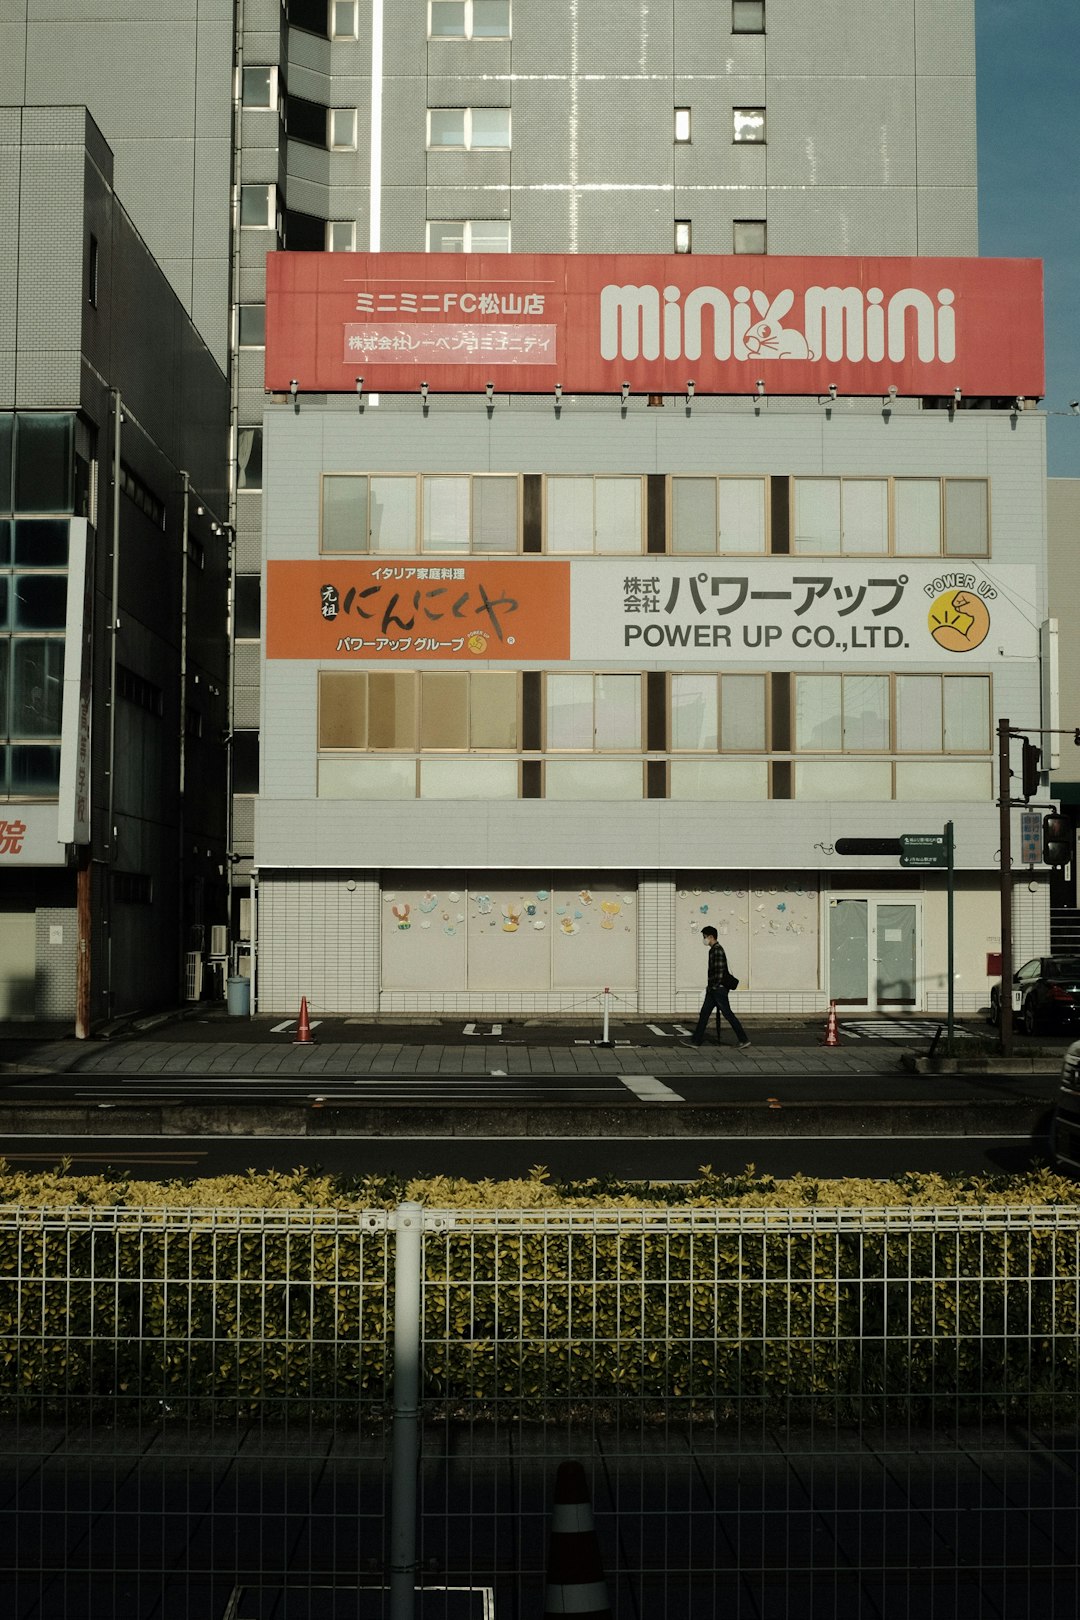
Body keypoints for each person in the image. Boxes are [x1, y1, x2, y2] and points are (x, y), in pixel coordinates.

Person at [687, 925, 751, 1048]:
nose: (704, 939)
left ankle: (743, 1039)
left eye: (704, 937)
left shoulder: (717, 950)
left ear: (711, 937)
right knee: (704, 1013)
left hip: (718, 989)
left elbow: (719, 972)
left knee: (727, 1014)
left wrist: (713, 987)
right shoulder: (714, 950)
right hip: (714, 989)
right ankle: (696, 1041)